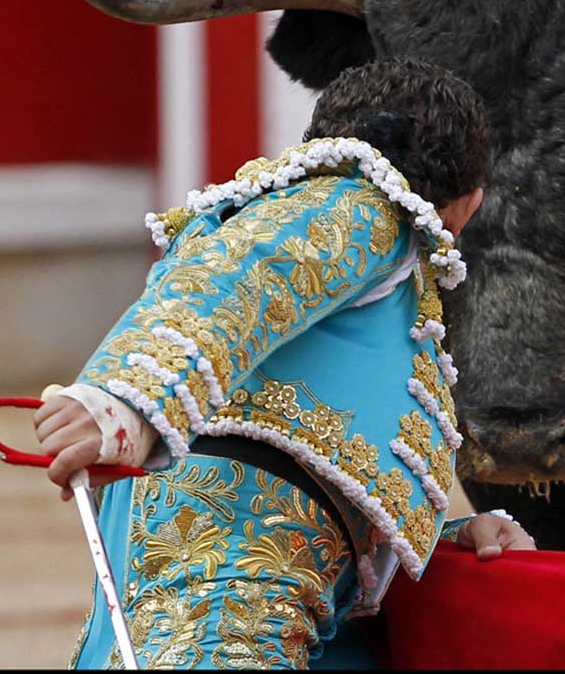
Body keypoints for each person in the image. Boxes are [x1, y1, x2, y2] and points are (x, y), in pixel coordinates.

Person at [32, 58, 535, 669]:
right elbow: (238, 280)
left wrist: (445, 544)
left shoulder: (369, 278)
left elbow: (313, 471)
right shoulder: (357, 205)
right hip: (222, 602)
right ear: (470, 204)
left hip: (250, 605)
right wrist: (127, 402)